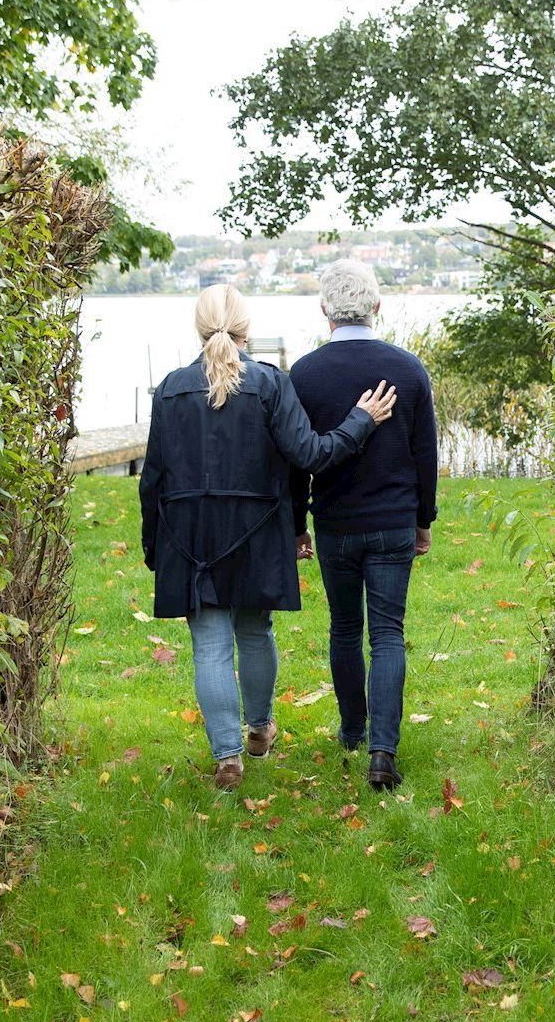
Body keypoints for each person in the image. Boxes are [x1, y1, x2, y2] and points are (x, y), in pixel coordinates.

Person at [141, 285, 398, 791]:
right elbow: (312, 455)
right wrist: (361, 421)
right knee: (255, 630)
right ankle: (259, 730)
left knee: (210, 645)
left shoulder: (170, 389)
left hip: (189, 535)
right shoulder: (269, 383)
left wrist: (155, 547)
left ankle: (227, 759)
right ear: (246, 328)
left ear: (199, 328)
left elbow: (153, 479)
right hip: (256, 530)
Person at [289, 260, 438, 792]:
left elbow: (294, 460)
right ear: (377, 306)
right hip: (393, 520)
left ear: (324, 311)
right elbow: (425, 455)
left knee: (346, 628)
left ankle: (353, 730)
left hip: (336, 522)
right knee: (388, 633)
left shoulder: (304, 374)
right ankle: (382, 751)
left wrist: (296, 524)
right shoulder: (408, 370)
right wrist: (423, 519)